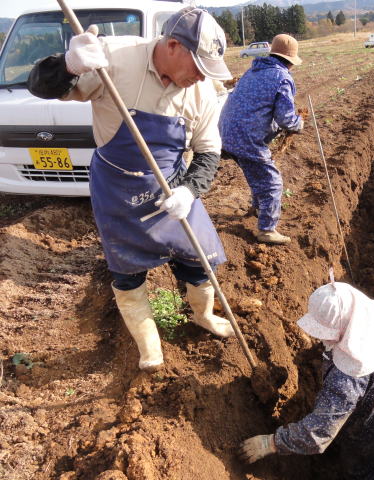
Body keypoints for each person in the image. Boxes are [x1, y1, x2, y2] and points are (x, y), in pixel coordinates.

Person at [28, 7, 235, 372]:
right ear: (173, 46)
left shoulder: (201, 91)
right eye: (198, 66)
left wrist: (188, 191)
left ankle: (203, 315)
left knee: (197, 257)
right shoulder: (113, 58)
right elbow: (41, 86)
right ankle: (149, 346)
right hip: (116, 185)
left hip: (170, 183)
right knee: (126, 270)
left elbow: (208, 152)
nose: (202, 77)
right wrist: (68, 66)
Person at [239, 281, 374, 479]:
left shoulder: (346, 381)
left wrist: (273, 443)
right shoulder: (366, 318)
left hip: (367, 431)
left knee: (356, 467)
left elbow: (317, 434)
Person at [219, 34, 304, 245]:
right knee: (272, 183)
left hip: (226, 134)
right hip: (246, 138)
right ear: (290, 61)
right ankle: (266, 229)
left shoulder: (253, 70)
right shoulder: (283, 77)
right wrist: (298, 123)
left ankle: (258, 208)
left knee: (258, 174)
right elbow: (285, 119)